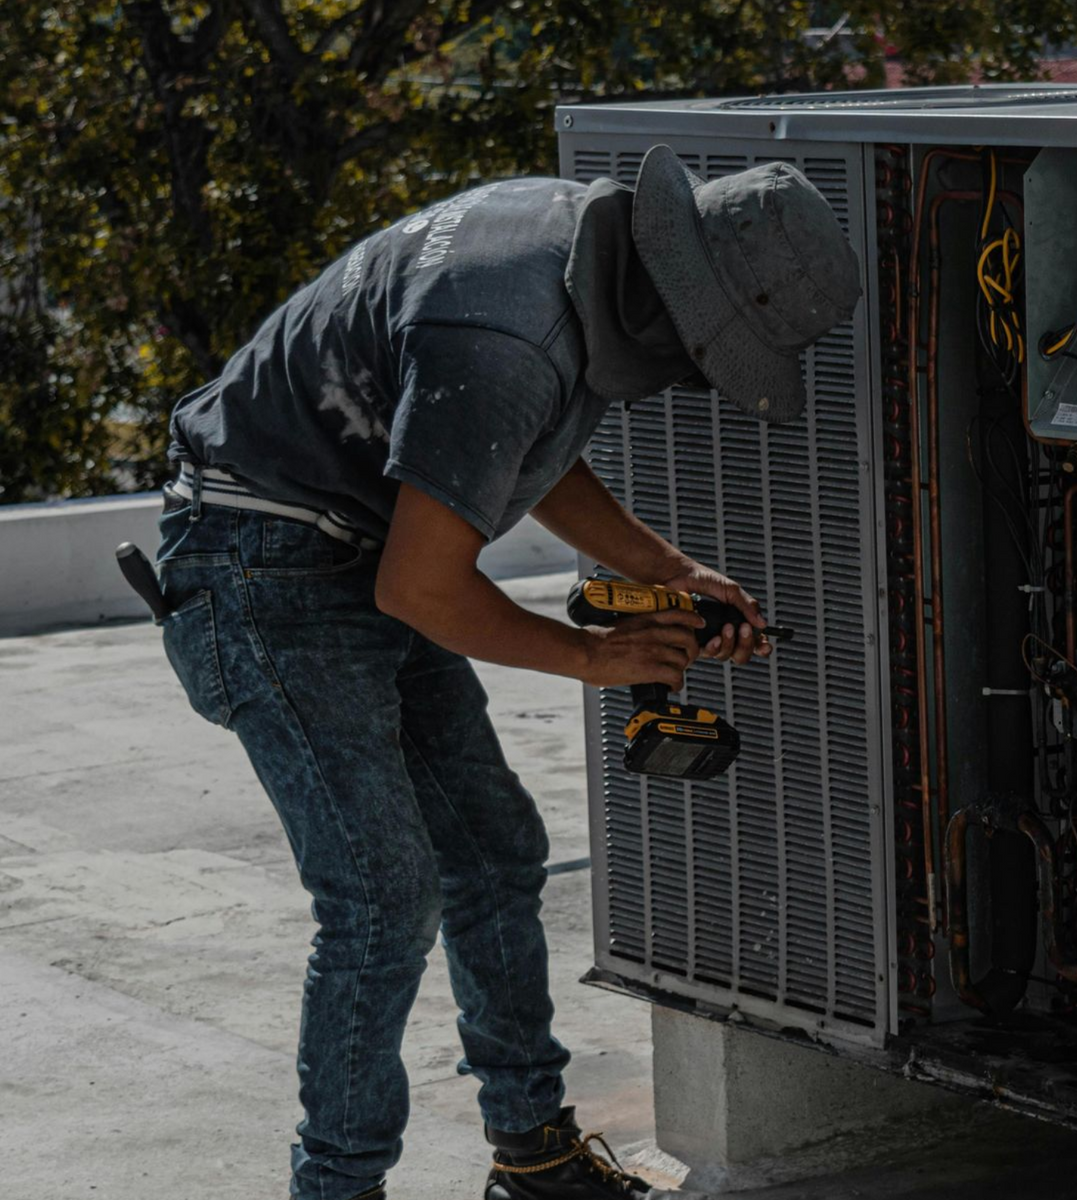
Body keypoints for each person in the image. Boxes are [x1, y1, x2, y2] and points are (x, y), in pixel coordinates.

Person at [153, 147, 862, 1200]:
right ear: (679, 306)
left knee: (492, 853)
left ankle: (532, 1156)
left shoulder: (565, 243)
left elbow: (509, 446)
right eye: (707, 357)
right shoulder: (504, 331)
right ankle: (335, 1189)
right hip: (258, 562)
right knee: (381, 897)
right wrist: (592, 655)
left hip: (344, 538)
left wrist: (667, 572)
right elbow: (422, 589)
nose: (692, 380)